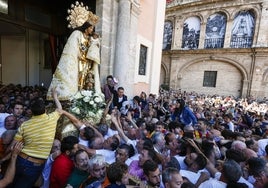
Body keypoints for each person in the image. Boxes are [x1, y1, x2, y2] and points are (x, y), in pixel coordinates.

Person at [9, 87, 63, 187]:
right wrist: (55, 95)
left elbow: (13, 146)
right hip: (34, 164)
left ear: (31, 111)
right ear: (45, 110)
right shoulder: (51, 119)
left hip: (21, 160)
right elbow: (60, 109)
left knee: (13, 183)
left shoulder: (24, 125)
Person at [47, 3, 100, 100]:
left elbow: (92, 49)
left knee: (86, 79)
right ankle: (77, 96)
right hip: (78, 60)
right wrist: (81, 55)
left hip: (87, 61)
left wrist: (95, 42)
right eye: (91, 27)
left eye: (93, 28)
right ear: (86, 26)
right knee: (79, 78)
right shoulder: (77, 34)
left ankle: (83, 96)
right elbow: (72, 48)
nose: (92, 29)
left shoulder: (89, 38)